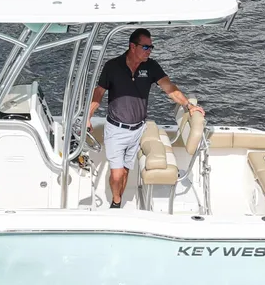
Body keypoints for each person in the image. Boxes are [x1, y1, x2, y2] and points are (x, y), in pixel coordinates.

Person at [86, 28, 204, 208]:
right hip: (116, 129)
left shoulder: (151, 67)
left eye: (151, 47)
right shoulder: (113, 66)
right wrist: (88, 116)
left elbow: (169, 88)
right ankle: (116, 203)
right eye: (146, 47)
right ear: (132, 46)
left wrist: (188, 105)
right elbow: (99, 93)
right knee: (117, 175)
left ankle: (118, 202)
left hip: (138, 130)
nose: (150, 51)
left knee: (125, 172)